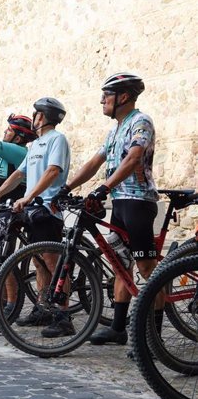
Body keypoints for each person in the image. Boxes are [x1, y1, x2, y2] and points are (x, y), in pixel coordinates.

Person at [55, 73, 158, 346]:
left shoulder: (141, 121)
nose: (102, 99)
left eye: (107, 94)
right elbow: (94, 162)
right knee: (120, 264)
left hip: (138, 201)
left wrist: (103, 188)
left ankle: (155, 339)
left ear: (123, 97)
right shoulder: (114, 130)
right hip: (120, 203)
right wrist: (67, 187)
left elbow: (134, 156)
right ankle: (117, 328)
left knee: (149, 268)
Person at [0, 96, 71, 337]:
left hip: (47, 208)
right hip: (33, 208)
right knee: (38, 262)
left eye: (35, 114)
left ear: (41, 117)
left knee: (52, 263)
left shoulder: (57, 139)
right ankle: (43, 308)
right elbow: (19, 174)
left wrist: (29, 196)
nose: (33, 118)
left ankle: (64, 316)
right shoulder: (35, 146)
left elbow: (53, 171)